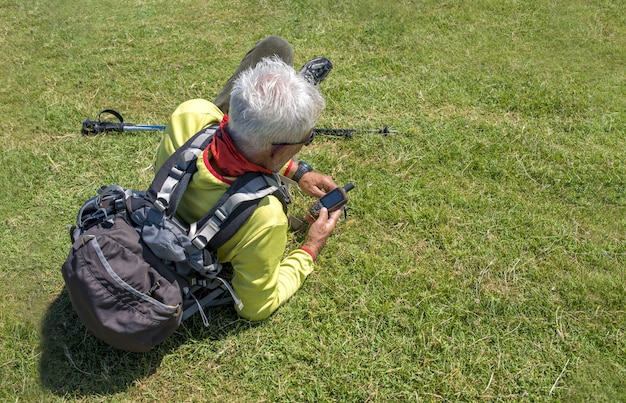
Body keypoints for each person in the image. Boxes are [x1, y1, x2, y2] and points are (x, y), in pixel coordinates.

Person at [154, 36, 343, 321]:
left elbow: (238, 144)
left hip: (167, 213)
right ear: (280, 149)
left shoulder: (192, 114)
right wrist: (310, 248)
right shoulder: (265, 218)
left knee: (276, 48)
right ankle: (286, 104)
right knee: (277, 49)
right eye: (308, 138)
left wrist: (297, 171)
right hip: (247, 193)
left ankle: (277, 105)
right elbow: (255, 307)